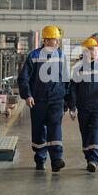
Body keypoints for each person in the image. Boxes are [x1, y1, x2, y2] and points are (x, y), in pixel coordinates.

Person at [18, 25, 69, 172]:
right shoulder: (34, 56)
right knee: (39, 130)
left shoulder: (61, 56)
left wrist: (66, 99)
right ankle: (40, 159)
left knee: (55, 128)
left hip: (56, 99)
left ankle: (56, 160)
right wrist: (27, 95)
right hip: (38, 100)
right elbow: (24, 78)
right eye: (55, 40)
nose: (57, 43)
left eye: (58, 40)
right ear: (46, 41)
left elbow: (66, 79)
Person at [68, 38, 98, 173]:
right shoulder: (78, 69)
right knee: (85, 133)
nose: (95, 52)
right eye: (92, 50)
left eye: (96, 50)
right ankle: (89, 158)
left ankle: (94, 159)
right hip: (83, 108)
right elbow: (73, 89)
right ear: (85, 52)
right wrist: (72, 106)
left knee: (96, 132)